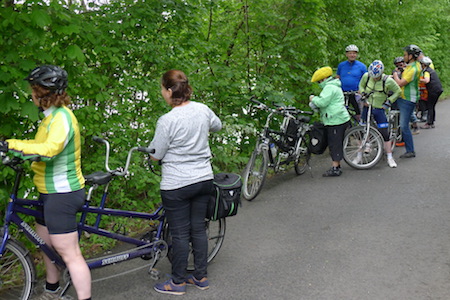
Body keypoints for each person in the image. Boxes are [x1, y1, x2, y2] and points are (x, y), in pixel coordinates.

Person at [0, 65, 91, 300]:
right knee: (46, 246)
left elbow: (49, 150)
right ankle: (52, 291)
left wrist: (12, 145)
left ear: (43, 93)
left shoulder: (62, 118)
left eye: (34, 90)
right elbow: (38, 146)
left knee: (69, 254)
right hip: (48, 191)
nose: (31, 94)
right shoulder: (51, 117)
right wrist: (14, 149)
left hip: (63, 193)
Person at [150, 70, 222, 295]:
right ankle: (200, 277)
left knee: (180, 234)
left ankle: (177, 282)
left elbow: (156, 154)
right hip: (203, 178)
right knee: (198, 229)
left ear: (170, 91)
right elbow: (217, 126)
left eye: (162, 89)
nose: (162, 93)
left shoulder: (167, 120)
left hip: (177, 184)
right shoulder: (202, 109)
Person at [356, 60, 401, 168]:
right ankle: (359, 155)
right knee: (362, 130)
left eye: (377, 77)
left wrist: (388, 101)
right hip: (367, 107)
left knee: (384, 133)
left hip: (379, 108)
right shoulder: (366, 76)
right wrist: (363, 94)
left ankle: (390, 157)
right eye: (373, 77)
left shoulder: (388, 81)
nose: (374, 78)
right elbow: (361, 86)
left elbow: (398, 91)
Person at [310, 66, 350, 177]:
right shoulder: (334, 85)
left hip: (335, 119)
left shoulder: (329, 88)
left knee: (334, 143)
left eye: (319, 81)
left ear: (323, 79)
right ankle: (337, 165)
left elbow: (322, 102)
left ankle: (335, 167)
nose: (319, 84)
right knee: (335, 142)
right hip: (339, 117)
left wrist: (313, 99)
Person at [393, 44, 422, 158]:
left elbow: (400, 83)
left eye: (405, 54)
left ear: (411, 56)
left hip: (407, 99)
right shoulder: (411, 66)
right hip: (404, 97)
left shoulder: (414, 68)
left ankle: (410, 150)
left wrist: (395, 74)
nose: (403, 56)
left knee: (404, 125)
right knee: (402, 122)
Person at [336, 44, 367, 122]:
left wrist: (362, 90)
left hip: (356, 93)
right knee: (341, 111)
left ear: (356, 54)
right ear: (346, 54)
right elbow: (338, 78)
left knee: (359, 112)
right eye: (350, 53)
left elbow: (366, 80)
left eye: (354, 53)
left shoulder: (361, 66)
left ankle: (361, 128)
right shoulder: (341, 65)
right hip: (343, 93)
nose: (352, 55)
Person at [419, 56, 443, 129]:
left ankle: (429, 123)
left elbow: (427, 80)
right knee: (432, 106)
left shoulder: (427, 71)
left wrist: (418, 79)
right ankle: (431, 122)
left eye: (421, 64)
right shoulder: (431, 70)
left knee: (430, 106)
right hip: (438, 89)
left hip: (433, 91)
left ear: (424, 64)